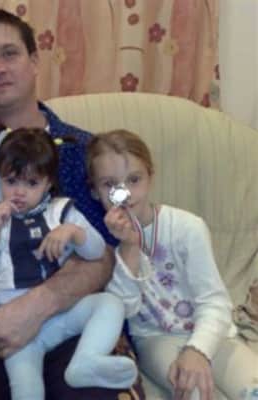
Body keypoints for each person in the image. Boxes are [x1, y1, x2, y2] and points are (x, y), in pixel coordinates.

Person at [0, 9, 144, 400]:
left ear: (35, 61)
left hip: (72, 321)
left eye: (9, 54)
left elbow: (105, 254)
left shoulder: (86, 151)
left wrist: (36, 307)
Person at [87, 129, 258, 400]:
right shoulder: (101, 241)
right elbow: (123, 310)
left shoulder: (187, 228)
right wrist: (130, 247)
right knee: (194, 393)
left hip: (213, 332)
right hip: (156, 339)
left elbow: (215, 301)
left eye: (134, 180)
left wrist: (198, 349)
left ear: (150, 177)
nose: (125, 194)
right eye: (110, 184)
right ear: (95, 192)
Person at [0, 128, 138, 399]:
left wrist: (74, 233)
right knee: (28, 391)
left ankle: (86, 362)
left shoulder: (62, 211)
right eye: (11, 181)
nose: (19, 192)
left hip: (59, 317)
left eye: (31, 183)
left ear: (48, 183)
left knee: (110, 304)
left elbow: (97, 252)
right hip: (18, 333)